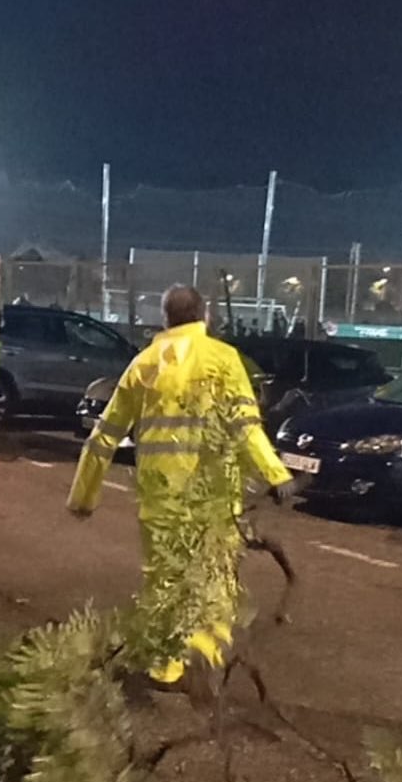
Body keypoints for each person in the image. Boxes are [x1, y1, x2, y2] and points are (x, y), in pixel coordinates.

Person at [67, 285, 295, 684]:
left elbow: (105, 435)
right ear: (205, 316)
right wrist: (275, 474)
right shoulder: (224, 361)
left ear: (165, 319)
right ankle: (204, 656)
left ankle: (165, 666)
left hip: (161, 498)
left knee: (163, 581)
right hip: (214, 498)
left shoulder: (144, 364)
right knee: (215, 578)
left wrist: (83, 496)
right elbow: (245, 427)